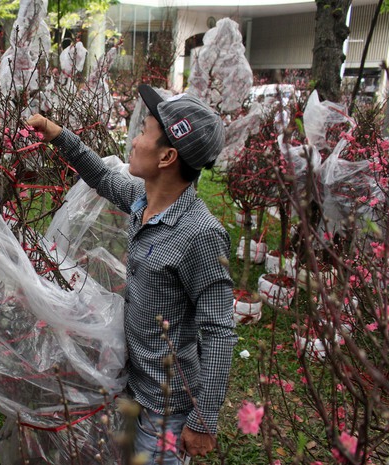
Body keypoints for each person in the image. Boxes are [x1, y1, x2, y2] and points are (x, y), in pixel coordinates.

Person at [27, 85, 237, 465]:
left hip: (167, 408)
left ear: (167, 156)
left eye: (144, 133)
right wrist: (59, 135)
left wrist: (204, 420)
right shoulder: (144, 200)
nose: (134, 140)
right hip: (133, 388)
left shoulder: (200, 234)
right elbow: (103, 178)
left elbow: (220, 329)